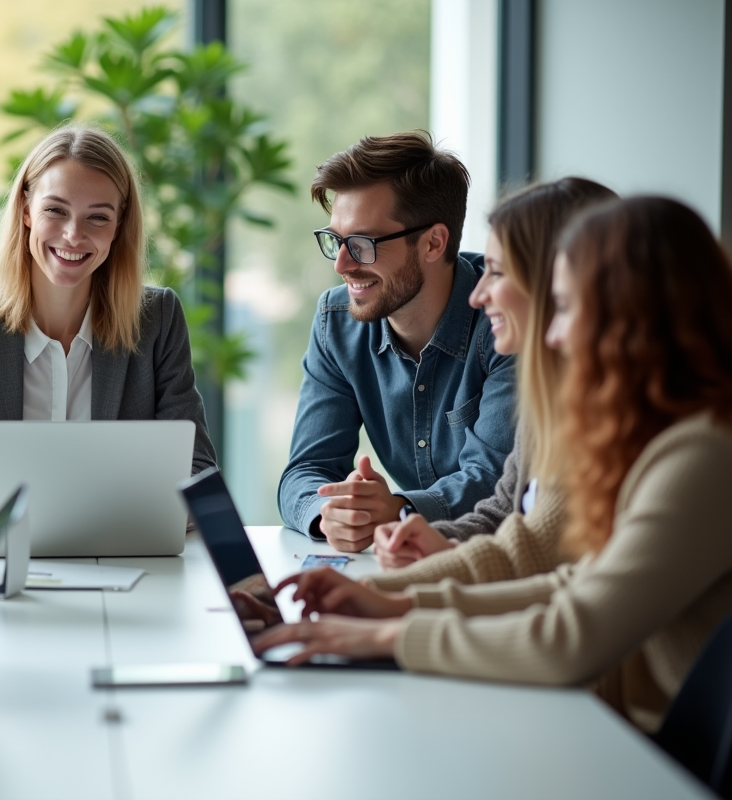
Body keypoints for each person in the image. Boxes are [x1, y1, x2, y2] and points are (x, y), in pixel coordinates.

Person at [253, 195, 732, 734]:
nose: (553, 333)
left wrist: (385, 634)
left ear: (632, 317)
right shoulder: (656, 436)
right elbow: (571, 583)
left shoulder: (704, 453)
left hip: (656, 758)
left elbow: (570, 633)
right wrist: (386, 601)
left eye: (567, 307)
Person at [0, 125, 216, 513]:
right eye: (55, 210)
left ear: (120, 225)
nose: (73, 235)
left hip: (122, 560)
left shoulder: (157, 320)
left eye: (97, 218)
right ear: (26, 210)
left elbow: (198, 471)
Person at [368, 177, 615, 586]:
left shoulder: (621, 427)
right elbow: (503, 515)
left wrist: (382, 600)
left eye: (496, 272)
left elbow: (548, 576)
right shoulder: (556, 399)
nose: (478, 294)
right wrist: (429, 542)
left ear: (557, 282)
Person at [277, 131, 517, 552]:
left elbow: (495, 483)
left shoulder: (506, 319)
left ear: (433, 242)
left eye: (363, 244)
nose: (341, 264)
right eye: (335, 240)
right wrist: (333, 513)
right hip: (407, 563)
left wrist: (397, 508)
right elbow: (306, 470)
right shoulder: (338, 323)